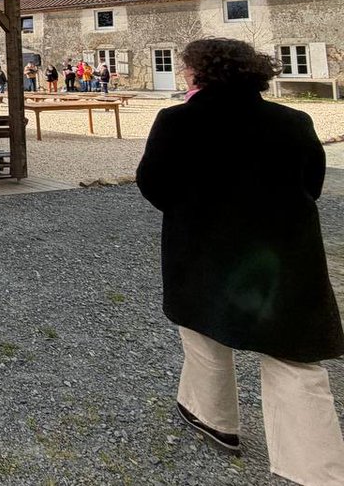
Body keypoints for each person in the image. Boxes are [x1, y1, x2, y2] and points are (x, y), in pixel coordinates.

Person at [137, 38, 344, 483]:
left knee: (204, 331)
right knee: (294, 354)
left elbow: (153, 183)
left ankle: (214, 419)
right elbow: (313, 182)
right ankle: (316, 469)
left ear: (198, 74)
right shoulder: (293, 120)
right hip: (283, 252)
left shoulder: (178, 121)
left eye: (186, 68)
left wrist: (194, 208)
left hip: (204, 247)